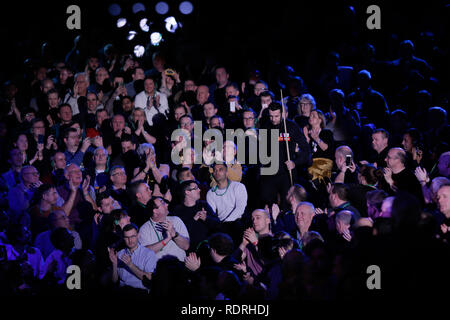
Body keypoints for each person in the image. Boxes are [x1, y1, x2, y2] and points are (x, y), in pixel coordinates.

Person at [259, 102, 311, 210]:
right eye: (271, 116)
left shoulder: (292, 127)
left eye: (276, 116)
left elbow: (306, 150)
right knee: (267, 204)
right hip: (269, 172)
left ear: (283, 114)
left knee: (286, 205)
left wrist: (294, 162)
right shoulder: (266, 126)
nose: (273, 119)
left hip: (287, 173)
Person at [172, 180, 220, 253]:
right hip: (189, 250)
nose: (199, 190)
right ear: (187, 192)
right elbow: (179, 232)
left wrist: (206, 218)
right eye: (196, 188)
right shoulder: (178, 210)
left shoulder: (203, 205)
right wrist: (194, 219)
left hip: (208, 248)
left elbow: (218, 224)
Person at [138, 196, 190, 262]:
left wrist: (174, 234)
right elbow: (145, 254)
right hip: (159, 269)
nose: (167, 204)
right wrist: (166, 239)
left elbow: (186, 246)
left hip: (180, 266)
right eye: (163, 203)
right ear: (155, 211)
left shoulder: (176, 220)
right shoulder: (144, 229)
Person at [108, 223, 156, 292]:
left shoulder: (148, 254)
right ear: (123, 238)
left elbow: (149, 278)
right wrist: (114, 264)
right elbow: (114, 280)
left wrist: (131, 265)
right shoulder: (119, 254)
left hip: (140, 293)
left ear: (138, 235)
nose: (130, 240)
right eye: (127, 237)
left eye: (133, 236)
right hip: (123, 292)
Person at [206, 163, 248, 243]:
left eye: (220, 170)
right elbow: (212, 213)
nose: (217, 172)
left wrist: (225, 223)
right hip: (221, 224)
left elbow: (240, 208)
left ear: (227, 173)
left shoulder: (238, 186)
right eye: (215, 170)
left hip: (237, 222)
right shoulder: (211, 192)